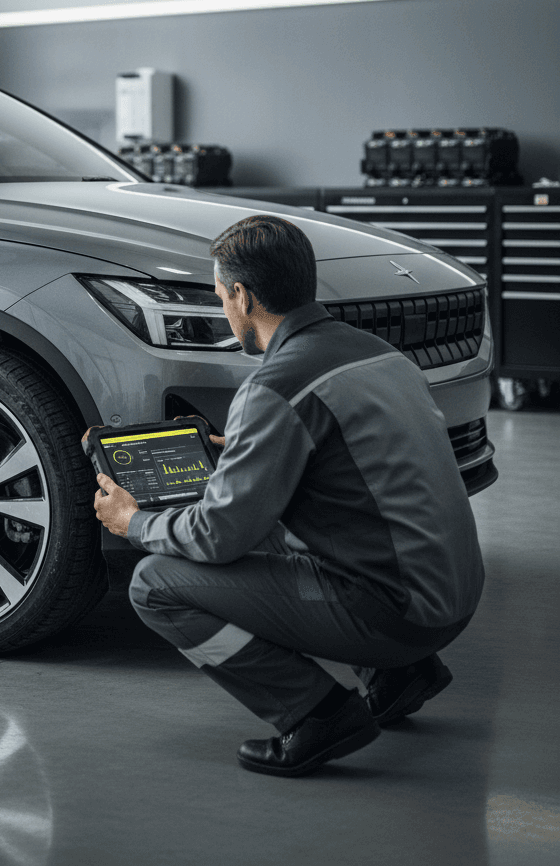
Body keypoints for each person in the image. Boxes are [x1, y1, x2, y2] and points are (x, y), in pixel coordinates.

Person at [93, 214, 484, 777]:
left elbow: (219, 536)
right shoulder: (377, 354)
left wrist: (134, 522)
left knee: (155, 586)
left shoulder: (274, 386)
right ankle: (402, 676)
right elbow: (353, 466)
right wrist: (250, 445)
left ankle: (317, 714)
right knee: (290, 515)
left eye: (222, 295)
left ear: (242, 296)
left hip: (400, 616)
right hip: (454, 592)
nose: (226, 308)